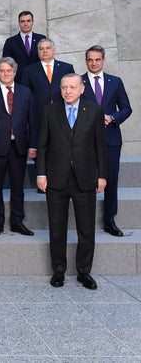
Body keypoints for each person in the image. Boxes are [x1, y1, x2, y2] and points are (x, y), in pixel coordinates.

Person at [36, 74, 107, 290]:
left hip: (85, 178)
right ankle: (58, 271)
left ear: (82, 89)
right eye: (64, 87)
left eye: (72, 87)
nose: (68, 91)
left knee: (86, 228)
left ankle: (84, 272)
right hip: (56, 178)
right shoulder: (50, 111)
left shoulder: (94, 111)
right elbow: (43, 145)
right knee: (57, 227)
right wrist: (41, 173)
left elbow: (100, 146)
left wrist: (102, 175)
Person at [0, 57, 37, 237]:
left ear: (14, 72)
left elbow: (33, 121)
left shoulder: (26, 93)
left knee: (18, 187)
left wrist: (33, 145)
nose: (5, 73)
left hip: (19, 147)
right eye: (2, 71)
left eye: (9, 71)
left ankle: (17, 221)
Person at [81, 45, 132, 237]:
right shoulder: (78, 81)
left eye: (97, 59)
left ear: (103, 60)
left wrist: (112, 117)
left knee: (110, 180)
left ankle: (110, 220)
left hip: (110, 139)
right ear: (86, 61)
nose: (94, 63)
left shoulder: (115, 82)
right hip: (85, 141)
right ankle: (86, 222)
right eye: (90, 60)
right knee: (86, 181)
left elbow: (127, 108)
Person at [20, 38, 75, 130]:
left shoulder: (67, 68)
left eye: (48, 48)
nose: (44, 51)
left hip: (64, 113)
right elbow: (24, 95)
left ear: (54, 50)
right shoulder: (28, 71)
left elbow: (75, 89)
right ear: (38, 52)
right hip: (39, 115)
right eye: (41, 49)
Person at [2, 11, 46, 82]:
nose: (25, 24)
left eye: (28, 21)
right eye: (22, 21)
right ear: (19, 23)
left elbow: (47, 59)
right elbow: (5, 63)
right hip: (18, 81)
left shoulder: (41, 39)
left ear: (32, 22)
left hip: (38, 80)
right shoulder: (10, 42)